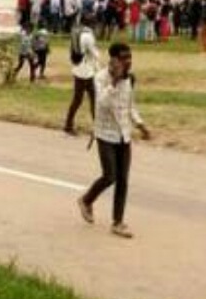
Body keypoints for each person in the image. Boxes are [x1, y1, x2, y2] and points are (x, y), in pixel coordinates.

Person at [77, 42, 150, 239]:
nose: (128, 61)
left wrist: (140, 125)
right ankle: (86, 200)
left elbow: (129, 105)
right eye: (124, 57)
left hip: (124, 135)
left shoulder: (130, 79)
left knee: (123, 180)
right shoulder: (100, 78)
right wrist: (114, 82)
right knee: (110, 175)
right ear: (113, 59)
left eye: (130, 57)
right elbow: (101, 104)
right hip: (104, 133)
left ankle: (118, 222)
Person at [63, 16, 100, 135]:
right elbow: (94, 53)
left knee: (82, 99)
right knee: (89, 99)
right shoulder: (88, 35)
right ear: (90, 23)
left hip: (78, 68)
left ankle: (69, 124)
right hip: (86, 70)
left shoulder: (77, 32)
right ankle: (69, 125)